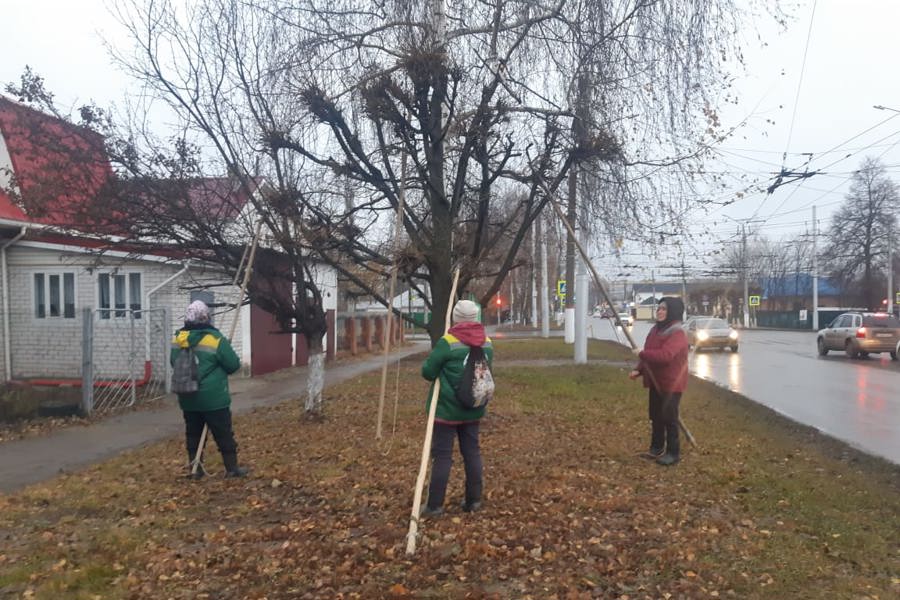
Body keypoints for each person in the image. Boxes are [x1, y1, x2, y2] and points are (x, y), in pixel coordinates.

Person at [420, 299, 494, 516]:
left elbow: (428, 372)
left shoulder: (447, 342)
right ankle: (474, 501)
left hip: (446, 411)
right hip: (473, 408)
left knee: (442, 456)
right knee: (472, 453)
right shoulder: (487, 343)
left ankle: (434, 505)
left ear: (455, 318)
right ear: (476, 318)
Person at [171, 300, 248, 479]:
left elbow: (173, 362)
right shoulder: (215, 339)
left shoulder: (178, 339)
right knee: (223, 433)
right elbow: (233, 365)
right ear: (206, 317)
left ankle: (195, 468)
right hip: (213, 399)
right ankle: (232, 469)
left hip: (188, 396)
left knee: (193, 433)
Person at [629, 296, 688, 466]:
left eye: (664, 309)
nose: (660, 312)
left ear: (673, 312)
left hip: (671, 383)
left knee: (669, 418)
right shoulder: (655, 330)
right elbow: (649, 353)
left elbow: (665, 356)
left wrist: (642, 354)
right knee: (656, 416)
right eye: (659, 308)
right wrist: (638, 370)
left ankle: (673, 453)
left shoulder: (677, 333)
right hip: (656, 382)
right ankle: (656, 448)